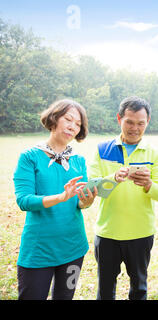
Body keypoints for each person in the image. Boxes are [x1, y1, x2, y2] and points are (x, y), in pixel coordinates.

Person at [13, 99, 96, 300]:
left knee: (65, 297)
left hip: (74, 248)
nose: (72, 126)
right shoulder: (29, 157)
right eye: (68, 119)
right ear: (53, 118)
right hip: (39, 250)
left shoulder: (79, 160)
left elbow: (79, 203)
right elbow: (24, 201)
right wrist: (60, 197)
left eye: (78, 124)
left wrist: (88, 200)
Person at [89, 96, 158, 300]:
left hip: (141, 232)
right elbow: (94, 190)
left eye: (141, 123)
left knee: (139, 288)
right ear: (119, 119)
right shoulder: (101, 149)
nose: (135, 128)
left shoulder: (155, 154)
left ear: (147, 122)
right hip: (108, 233)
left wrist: (149, 185)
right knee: (105, 289)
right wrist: (113, 178)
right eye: (129, 122)